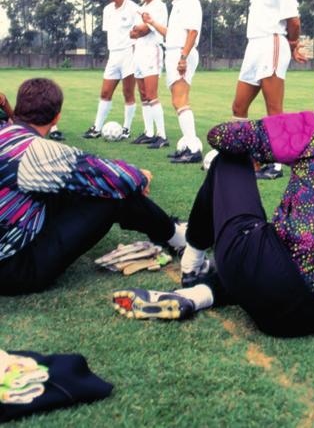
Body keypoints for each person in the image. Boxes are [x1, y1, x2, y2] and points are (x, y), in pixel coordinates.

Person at [113, 69, 314, 338]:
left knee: (229, 158)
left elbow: (222, 136)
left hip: (264, 271)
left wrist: (263, 153)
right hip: (312, 318)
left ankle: (191, 265)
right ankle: (196, 296)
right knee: (287, 266)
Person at [0, 78, 186, 295]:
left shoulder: (5, 134)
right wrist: (141, 177)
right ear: (56, 117)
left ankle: (169, 230)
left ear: (20, 107)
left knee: (76, 185)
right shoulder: (36, 151)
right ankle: (175, 236)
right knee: (113, 195)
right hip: (14, 268)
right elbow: (117, 178)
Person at [232, 0, 307, 180]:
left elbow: (293, 20)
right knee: (239, 106)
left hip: (272, 43)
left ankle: (275, 165)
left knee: (273, 108)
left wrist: (292, 43)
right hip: (254, 46)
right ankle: (242, 160)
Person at [142, 0, 203, 164]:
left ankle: (193, 149)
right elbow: (171, 33)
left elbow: (192, 33)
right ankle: (187, 146)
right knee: (178, 101)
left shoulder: (190, 1)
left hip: (180, 53)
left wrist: (183, 57)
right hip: (174, 50)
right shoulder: (178, 3)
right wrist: (151, 22)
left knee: (180, 100)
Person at [83, 0, 138, 140]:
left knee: (128, 93)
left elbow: (139, 33)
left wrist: (136, 55)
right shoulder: (107, 10)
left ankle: (126, 128)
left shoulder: (134, 9)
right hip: (113, 55)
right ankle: (97, 128)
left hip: (129, 53)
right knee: (105, 92)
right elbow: (111, 34)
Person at [130, 0, 169, 149]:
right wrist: (138, 30)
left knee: (152, 94)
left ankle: (162, 135)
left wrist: (140, 29)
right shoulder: (140, 8)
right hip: (138, 51)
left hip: (152, 50)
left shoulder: (159, 6)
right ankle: (149, 132)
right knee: (143, 95)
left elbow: (145, 30)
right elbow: (133, 32)